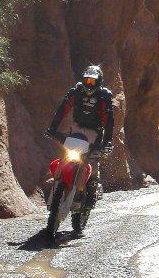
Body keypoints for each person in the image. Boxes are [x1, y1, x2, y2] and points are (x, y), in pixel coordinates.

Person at [45, 64, 114, 210]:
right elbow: (62, 109)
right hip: (76, 129)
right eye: (86, 80)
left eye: (92, 81)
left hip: (95, 132)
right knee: (66, 157)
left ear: (99, 81)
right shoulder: (75, 92)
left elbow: (109, 119)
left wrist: (107, 141)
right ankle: (58, 183)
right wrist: (52, 128)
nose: (89, 84)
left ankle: (91, 195)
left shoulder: (104, 95)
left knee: (92, 164)